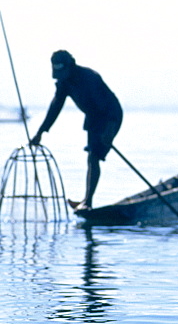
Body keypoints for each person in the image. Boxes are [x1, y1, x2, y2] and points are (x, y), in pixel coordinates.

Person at [30, 50, 123, 210]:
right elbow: (55, 107)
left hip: (109, 116)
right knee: (91, 157)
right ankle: (87, 200)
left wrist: (109, 131)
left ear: (70, 66)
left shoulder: (89, 78)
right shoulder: (64, 82)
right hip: (93, 116)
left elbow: (106, 108)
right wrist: (41, 131)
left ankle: (87, 201)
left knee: (95, 156)